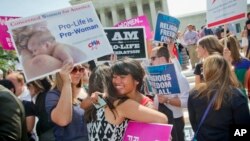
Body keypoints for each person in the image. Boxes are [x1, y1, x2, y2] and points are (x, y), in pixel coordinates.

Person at [84, 64, 168, 140]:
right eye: (114, 77)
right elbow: (162, 119)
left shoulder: (102, 102)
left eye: (122, 77)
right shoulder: (122, 104)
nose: (117, 81)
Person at [188, 54, 250, 141]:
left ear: (206, 72)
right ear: (227, 71)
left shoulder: (194, 94)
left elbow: (194, 123)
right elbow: (242, 130)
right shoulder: (236, 95)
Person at [150, 42, 190, 141]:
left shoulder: (179, 77)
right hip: (159, 118)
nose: (150, 62)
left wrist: (167, 100)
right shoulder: (153, 75)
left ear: (162, 59)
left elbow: (186, 102)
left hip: (175, 121)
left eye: (153, 58)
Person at [45, 63, 88, 141]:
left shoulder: (86, 90)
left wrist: (99, 100)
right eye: (73, 69)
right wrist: (67, 82)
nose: (78, 72)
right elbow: (63, 120)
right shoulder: (53, 95)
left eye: (81, 69)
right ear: (61, 72)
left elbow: (102, 110)